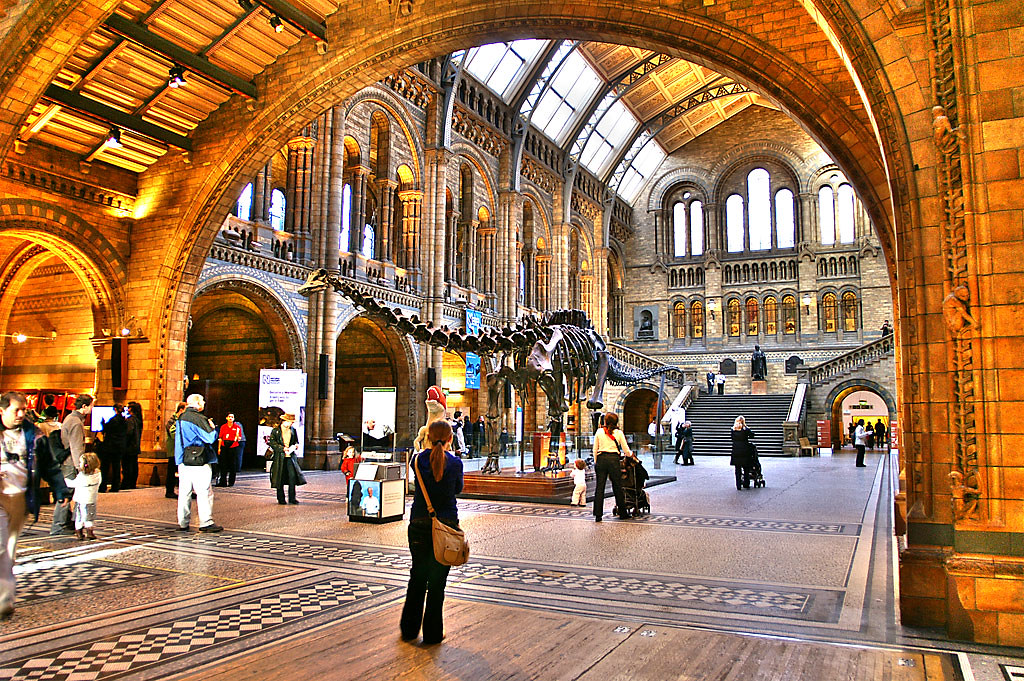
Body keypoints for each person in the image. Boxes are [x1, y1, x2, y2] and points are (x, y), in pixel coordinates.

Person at [0, 391, 69, 619]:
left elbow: (49, 464)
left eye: (23, 410)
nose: (21, 415)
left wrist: (60, 489)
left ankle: (5, 599)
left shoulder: (34, 434)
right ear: (2, 411)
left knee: (9, 552)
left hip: (20, 499)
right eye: (15, 410)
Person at [400, 419, 464, 645]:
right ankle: (433, 633)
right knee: (437, 583)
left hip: (418, 523)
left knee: (417, 576)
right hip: (445, 526)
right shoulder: (455, 463)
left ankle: (408, 630)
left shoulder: (417, 460)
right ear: (450, 438)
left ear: (427, 436)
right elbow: (457, 489)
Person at [174, 394, 222, 532]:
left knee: (184, 493)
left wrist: (179, 460)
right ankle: (206, 522)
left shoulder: (181, 418)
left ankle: (183, 522)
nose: (204, 402)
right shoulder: (199, 418)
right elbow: (209, 438)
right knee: (204, 492)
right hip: (199, 461)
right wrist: (213, 428)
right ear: (196, 403)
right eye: (202, 401)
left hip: (184, 460)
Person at [52, 394, 93, 535]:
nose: (92, 409)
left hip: (67, 462)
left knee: (67, 493)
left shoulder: (70, 418)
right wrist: (80, 467)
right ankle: (59, 526)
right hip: (70, 463)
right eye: (91, 406)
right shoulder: (76, 422)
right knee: (67, 494)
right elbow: (76, 447)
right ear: (84, 407)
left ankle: (65, 523)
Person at [591, 412, 631, 521]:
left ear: (605, 421)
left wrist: (596, 461)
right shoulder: (619, 433)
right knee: (617, 486)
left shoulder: (599, 432)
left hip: (601, 459)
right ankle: (622, 513)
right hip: (613, 460)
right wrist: (630, 455)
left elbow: (595, 449)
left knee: (600, 487)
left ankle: (598, 514)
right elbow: (626, 449)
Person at [268, 413, 306, 504]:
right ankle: (281, 498)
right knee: (279, 477)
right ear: (284, 421)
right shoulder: (275, 431)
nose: (291, 424)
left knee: (292, 477)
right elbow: (272, 443)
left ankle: (292, 498)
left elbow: (296, 441)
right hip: (279, 457)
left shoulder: (293, 430)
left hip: (290, 457)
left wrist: (295, 445)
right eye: (290, 422)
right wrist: (282, 448)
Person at [69, 452, 101, 540]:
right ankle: (90, 532)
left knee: (79, 517)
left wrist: (65, 480)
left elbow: (73, 484)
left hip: (80, 499)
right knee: (89, 516)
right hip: (91, 499)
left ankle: (79, 533)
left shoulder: (82, 477)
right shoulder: (98, 475)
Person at [97, 403, 128, 493]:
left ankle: (103, 486)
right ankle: (115, 486)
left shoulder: (113, 420)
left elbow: (106, 429)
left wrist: (103, 423)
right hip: (119, 447)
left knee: (105, 467)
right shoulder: (124, 420)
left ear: (115, 409)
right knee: (116, 467)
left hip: (110, 446)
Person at [164, 401, 186, 498]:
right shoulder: (172, 420)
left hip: (181, 450)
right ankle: (169, 491)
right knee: (171, 471)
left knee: (182, 471)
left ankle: (184, 491)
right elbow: (173, 434)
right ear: (181, 410)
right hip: (173, 450)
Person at [216, 413, 244, 487]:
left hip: (233, 446)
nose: (230, 418)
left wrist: (238, 436)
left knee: (232, 465)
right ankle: (223, 481)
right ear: (226, 418)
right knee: (223, 464)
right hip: (224, 445)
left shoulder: (237, 427)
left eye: (232, 417)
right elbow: (220, 438)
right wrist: (219, 448)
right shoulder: (223, 427)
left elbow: (239, 438)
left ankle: (231, 482)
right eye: (229, 417)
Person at [730, 416, 755, 490]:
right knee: (746, 467)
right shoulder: (745, 430)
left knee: (737, 468)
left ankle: (738, 485)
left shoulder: (733, 430)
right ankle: (746, 483)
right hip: (744, 450)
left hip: (736, 450)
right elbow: (752, 435)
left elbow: (732, 438)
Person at [122, 401, 142, 489]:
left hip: (129, 447)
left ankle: (127, 483)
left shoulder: (130, 420)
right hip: (135, 446)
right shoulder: (138, 420)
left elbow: (128, 433)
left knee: (127, 466)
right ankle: (132, 483)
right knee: (133, 465)